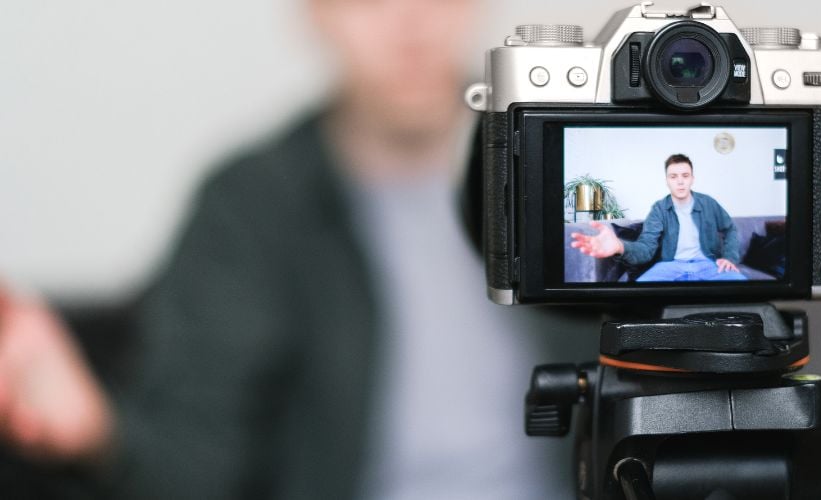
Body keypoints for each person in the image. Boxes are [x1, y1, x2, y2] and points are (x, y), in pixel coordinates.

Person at [0, 0, 595, 498]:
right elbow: (199, 461)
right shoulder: (250, 207)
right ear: (314, 13)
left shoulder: (576, 167)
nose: (410, 22)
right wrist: (96, 430)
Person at [570, 153, 746, 282]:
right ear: (667, 181)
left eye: (685, 176)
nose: (680, 181)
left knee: (741, 286)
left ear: (692, 178)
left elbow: (730, 228)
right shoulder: (659, 209)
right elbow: (646, 249)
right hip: (669, 266)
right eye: (673, 176)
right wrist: (619, 246)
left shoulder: (708, 203)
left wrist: (729, 257)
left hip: (708, 264)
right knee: (639, 292)